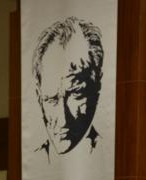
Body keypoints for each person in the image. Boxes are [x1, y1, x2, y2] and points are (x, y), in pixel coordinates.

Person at [32, 16, 104, 159]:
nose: (63, 120)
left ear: (97, 86)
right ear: (39, 96)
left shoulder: (107, 152)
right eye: (50, 99)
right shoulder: (33, 158)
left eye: (76, 94)